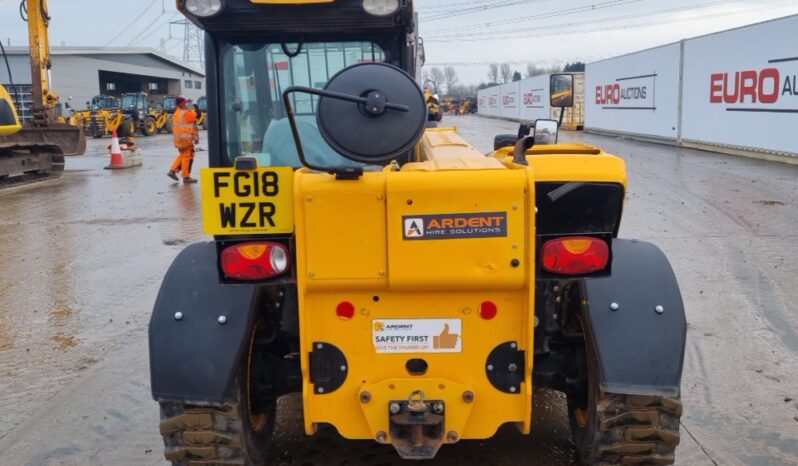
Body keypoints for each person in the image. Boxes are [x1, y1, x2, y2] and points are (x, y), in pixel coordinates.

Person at [167, 96, 199, 183]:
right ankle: (186, 177)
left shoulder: (177, 113)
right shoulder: (186, 113)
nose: (187, 105)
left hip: (178, 139)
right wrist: (195, 105)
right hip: (186, 139)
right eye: (186, 103)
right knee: (187, 157)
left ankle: (172, 171)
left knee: (182, 155)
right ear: (183, 104)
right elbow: (197, 115)